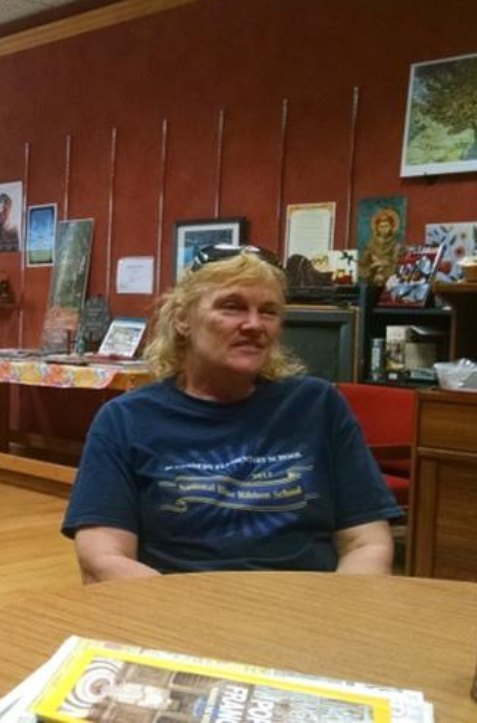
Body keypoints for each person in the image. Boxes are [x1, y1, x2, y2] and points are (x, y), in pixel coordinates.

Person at [62, 244, 401, 583]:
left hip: (306, 615)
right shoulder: (125, 420)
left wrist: (339, 617)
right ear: (182, 318)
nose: (254, 324)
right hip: (176, 615)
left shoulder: (319, 406)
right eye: (232, 306)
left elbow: (367, 543)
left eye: (268, 311)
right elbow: (103, 557)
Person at [357, 207, 400, 286]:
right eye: (381, 226)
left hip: (389, 282)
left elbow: (397, 264)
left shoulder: (396, 245)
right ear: (377, 228)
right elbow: (362, 265)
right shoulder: (370, 245)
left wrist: (384, 264)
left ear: (391, 227)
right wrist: (373, 266)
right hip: (372, 281)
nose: (384, 229)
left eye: (386, 226)